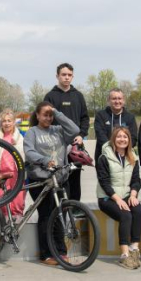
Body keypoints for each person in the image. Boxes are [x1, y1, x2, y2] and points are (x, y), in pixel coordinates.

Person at [24, 102, 80, 266]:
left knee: (60, 214)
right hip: (41, 180)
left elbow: (75, 130)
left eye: (50, 115)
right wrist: (45, 160)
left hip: (60, 179)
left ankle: (61, 252)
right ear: (38, 116)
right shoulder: (32, 133)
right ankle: (46, 253)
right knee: (47, 216)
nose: (48, 118)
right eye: (45, 115)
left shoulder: (59, 130)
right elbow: (29, 153)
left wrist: (56, 112)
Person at [96, 126, 141, 269]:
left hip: (126, 194)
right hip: (107, 197)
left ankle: (134, 248)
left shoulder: (133, 157)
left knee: (138, 210)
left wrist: (134, 194)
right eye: (119, 136)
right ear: (113, 139)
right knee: (126, 215)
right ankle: (124, 255)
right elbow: (104, 182)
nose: (122, 139)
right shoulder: (104, 157)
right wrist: (118, 199)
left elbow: (136, 179)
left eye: (125, 137)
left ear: (129, 140)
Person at [44, 63, 89, 202]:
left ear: (72, 76)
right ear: (57, 76)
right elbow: (46, 120)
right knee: (59, 179)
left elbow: (85, 118)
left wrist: (81, 135)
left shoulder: (78, 96)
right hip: (57, 147)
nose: (67, 77)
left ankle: (75, 208)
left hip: (76, 146)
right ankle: (59, 211)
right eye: (64, 75)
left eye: (69, 75)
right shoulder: (50, 96)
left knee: (75, 178)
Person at [0, 109, 26, 217]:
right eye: (4, 121)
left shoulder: (22, 136)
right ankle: (4, 229)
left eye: (9, 120)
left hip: (17, 176)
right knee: (3, 205)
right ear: (1, 123)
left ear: (14, 122)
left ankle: (17, 228)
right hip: (0, 176)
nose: (6, 123)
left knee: (18, 205)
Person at [93, 88, 138, 162]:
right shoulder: (101, 115)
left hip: (125, 156)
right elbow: (100, 135)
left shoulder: (130, 117)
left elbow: (133, 137)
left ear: (123, 100)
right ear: (109, 100)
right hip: (105, 156)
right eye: (114, 99)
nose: (117, 101)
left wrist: (122, 150)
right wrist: (112, 150)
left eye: (119, 98)